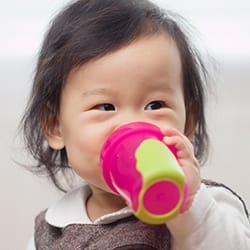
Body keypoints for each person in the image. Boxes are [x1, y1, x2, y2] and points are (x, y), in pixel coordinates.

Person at [21, 0, 250, 249]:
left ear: (188, 122)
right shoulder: (51, 230)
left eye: (155, 105)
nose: (133, 124)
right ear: (55, 126)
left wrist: (189, 205)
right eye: (105, 107)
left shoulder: (206, 208)